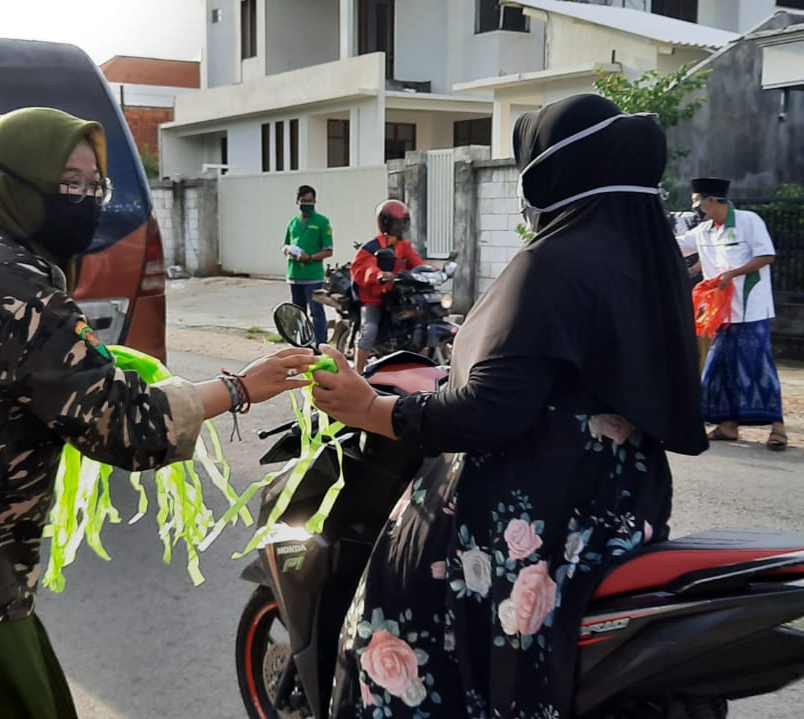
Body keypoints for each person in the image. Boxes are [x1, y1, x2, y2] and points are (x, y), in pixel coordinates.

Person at [0, 107, 315, 719]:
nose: (83, 200)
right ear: (11, 182)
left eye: (92, 184)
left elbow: (40, 379)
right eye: (65, 183)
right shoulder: (6, 279)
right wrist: (242, 386)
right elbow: (127, 426)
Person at [310, 94, 706, 718]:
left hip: (531, 522)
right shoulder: (655, 261)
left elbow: (485, 412)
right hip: (620, 511)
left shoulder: (551, 263)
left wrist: (367, 409)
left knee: (397, 626)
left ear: (550, 173)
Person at [677, 178, 788, 451]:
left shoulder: (749, 221)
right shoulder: (703, 232)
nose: (698, 208)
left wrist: (732, 274)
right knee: (719, 367)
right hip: (720, 312)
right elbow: (672, 244)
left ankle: (778, 428)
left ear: (712, 200)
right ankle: (727, 426)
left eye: (698, 202)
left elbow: (766, 256)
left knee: (756, 365)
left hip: (751, 309)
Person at [350, 199, 426, 372]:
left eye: (403, 222)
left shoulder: (403, 246)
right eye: (397, 222)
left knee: (422, 319)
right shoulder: (371, 247)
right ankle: (357, 373)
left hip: (396, 296)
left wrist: (435, 272)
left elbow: (417, 262)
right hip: (374, 298)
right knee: (370, 330)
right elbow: (362, 268)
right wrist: (379, 275)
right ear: (385, 223)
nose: (400, 226)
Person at [283, 184, 334, 343]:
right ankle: (302, 345)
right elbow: (285, 244)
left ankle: (320, 346)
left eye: (311, 201)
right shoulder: (292, 223)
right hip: (295, 275)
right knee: (298, 314)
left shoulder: (322, 222)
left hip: (313, 276)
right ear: (297, 202)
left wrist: (310, 257)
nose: (308, 204)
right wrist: (288, 251)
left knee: (317, 313)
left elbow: (328, 250)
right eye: (304, 201)